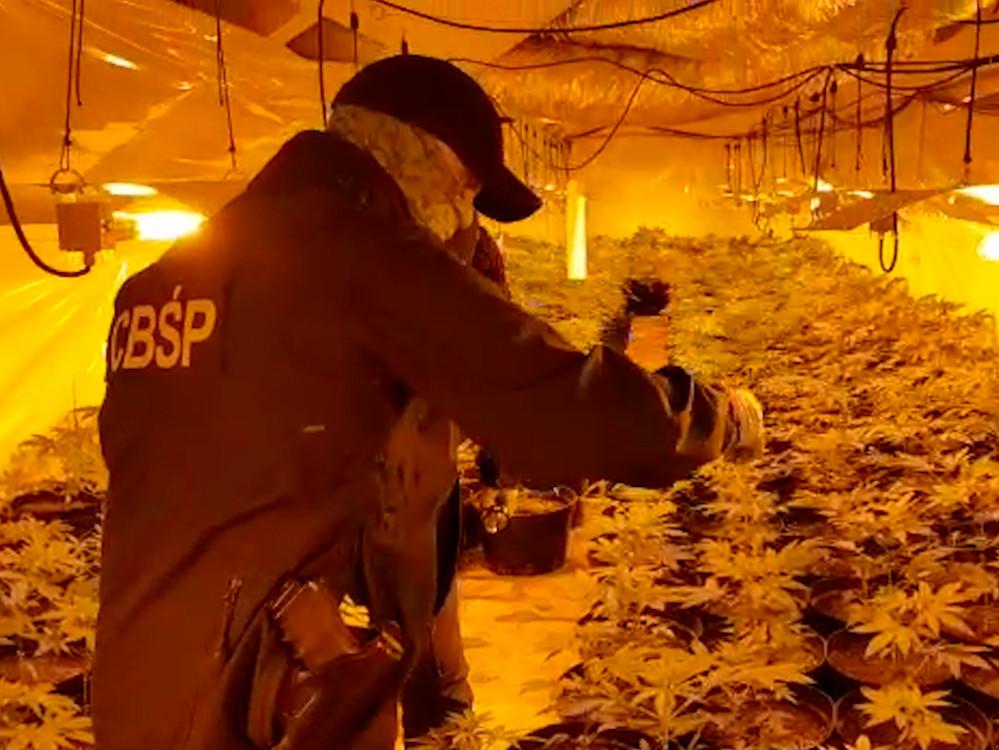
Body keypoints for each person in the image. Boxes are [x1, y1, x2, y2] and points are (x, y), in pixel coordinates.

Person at [93, 54, 764, 750]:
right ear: (419, 156)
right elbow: (559, 407)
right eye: (465, 188)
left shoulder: (165, 281)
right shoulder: (357, 251)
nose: (462, 215)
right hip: (273, 694)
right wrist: (715, 418)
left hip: (144, 670)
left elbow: (274, 448)